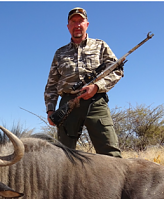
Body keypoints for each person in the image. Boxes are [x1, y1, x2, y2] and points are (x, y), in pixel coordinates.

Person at [44, 7, 123, 157]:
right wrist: (50, 110)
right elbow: (51, 85)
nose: (77, 24)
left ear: (87, 24)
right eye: (73, 22)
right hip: (67, 105)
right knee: (63, 156)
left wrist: (97, 87)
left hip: (96, 101)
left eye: (80, 21)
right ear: (68, 26)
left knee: (111, 154)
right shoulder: (59, 53)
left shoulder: (100, 45)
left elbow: (117, 70)